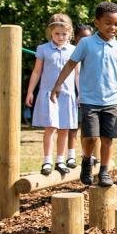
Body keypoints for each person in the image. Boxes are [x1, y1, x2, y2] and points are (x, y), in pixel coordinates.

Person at [50, 2, 117, 187]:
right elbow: (71, 64)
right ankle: (87, 160)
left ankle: (104, 171)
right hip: (90, 99)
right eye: (108, 23)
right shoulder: (86, 43)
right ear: (97, 22)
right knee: (90, 137)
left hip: (111, 100)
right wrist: (58, 85)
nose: (113, 27)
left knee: (107, 139)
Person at [25, 14, 78, 176]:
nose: (60, 37)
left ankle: (60, 160)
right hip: (49, 94)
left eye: (64, 34)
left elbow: (77, 74)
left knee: (64, 128)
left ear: (70, 34)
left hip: (67, 94)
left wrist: (80, 94)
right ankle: (47, 160)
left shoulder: (74, 50)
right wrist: (30, 91)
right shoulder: (43, 49)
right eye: (57, 34)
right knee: (51, 127)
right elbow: (36, 72)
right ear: (51, 33)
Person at [65, 24, 94, 168]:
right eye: (82, 37)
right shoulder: (71, 52)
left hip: (88, 95)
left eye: (88, 37)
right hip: (72, 92)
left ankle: (86, 155)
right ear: (75, 38)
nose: (85, 40)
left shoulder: (92, 53)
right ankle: (70, 156)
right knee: (72, 126)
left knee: (88, 128)